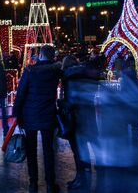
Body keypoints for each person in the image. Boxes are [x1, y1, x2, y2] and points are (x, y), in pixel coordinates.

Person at [14, 45, 61, 193]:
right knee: (48, 150)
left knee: (31, 151)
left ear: (40, 55)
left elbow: (20, 94)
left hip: (30, 116)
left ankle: (33, 183)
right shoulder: (55, 72)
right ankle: (50, 184)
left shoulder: (29, 71)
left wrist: (17, 113)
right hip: (48, 115)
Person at [62, 55, 100, 189]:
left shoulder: (69, 76)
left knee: (78, 150)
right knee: (93, 143)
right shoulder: (86, 73)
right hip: (89, 114)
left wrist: (63, 104)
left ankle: (81, 179)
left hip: (76, 118)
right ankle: (99, 171)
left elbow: (72, 100)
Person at [120, 55, 138, 144]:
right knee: (134, 120)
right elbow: (135, 86)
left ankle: (126, 138)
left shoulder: (124, 73)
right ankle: (135, 138)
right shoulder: (131, 72)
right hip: (133, 100)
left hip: (126, 100)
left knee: (126, 120)